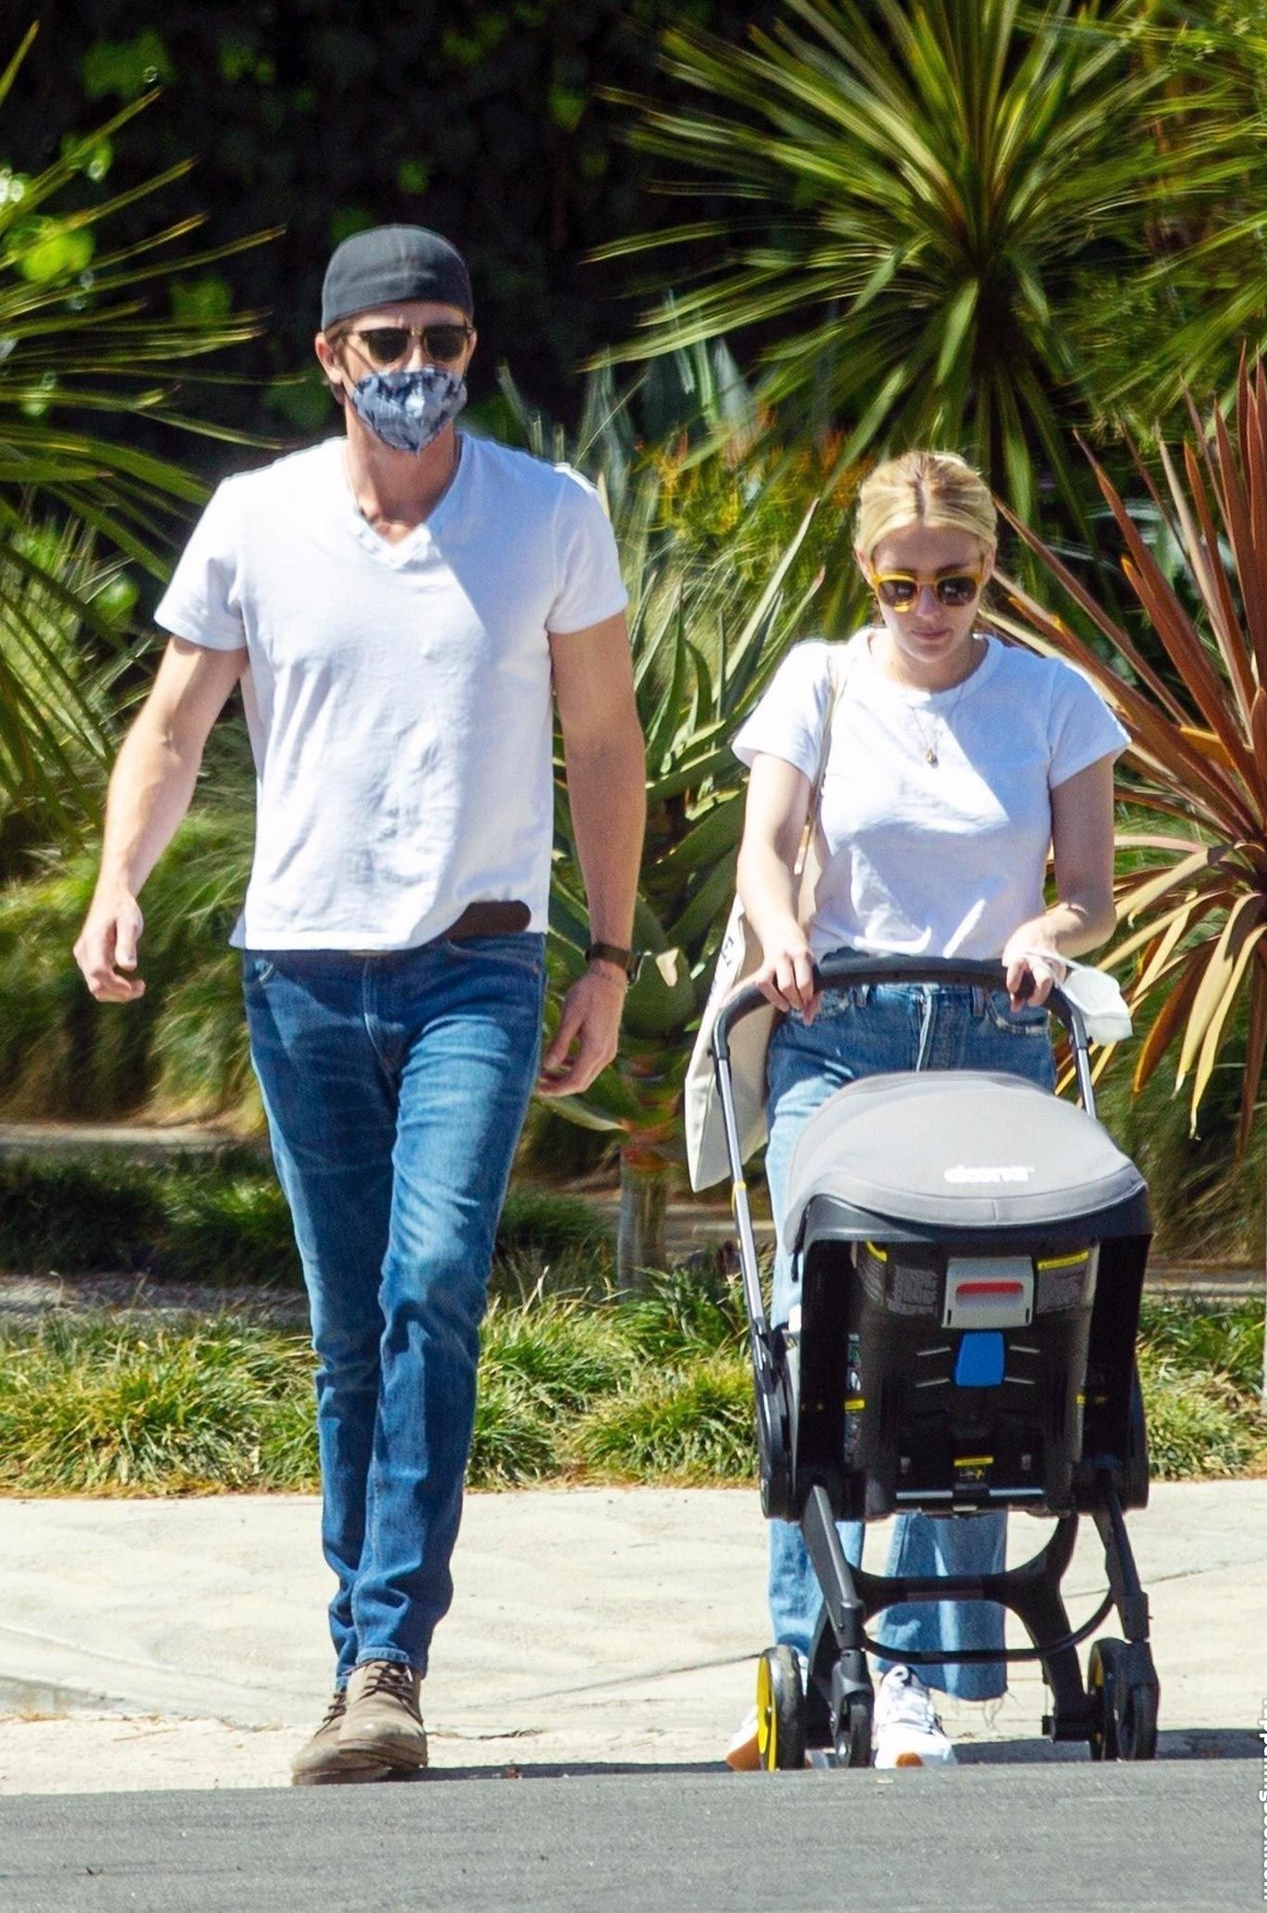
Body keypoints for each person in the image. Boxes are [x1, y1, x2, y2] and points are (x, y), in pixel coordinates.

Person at [72, 225, 646, 1785]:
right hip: (303, 970)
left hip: (478, 963)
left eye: (443, 341)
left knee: (434, 1280)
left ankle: (390, 1658)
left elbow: (603, 737)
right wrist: (120, 881)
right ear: (331, 357)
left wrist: (606, 955)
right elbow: (174, 723)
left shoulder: (549, 513)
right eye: (387, 343)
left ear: (473, 350)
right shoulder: (254, 520)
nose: (417, 369)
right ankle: (358, 1658)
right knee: (347, 1329)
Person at [725, 448, 1127, 1769]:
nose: (930, 609)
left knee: (975, 1336)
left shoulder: (1053, 701)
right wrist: (783, 934)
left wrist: (1045, 933)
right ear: (866, 574)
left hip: (990, 1038)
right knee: (820, 1331)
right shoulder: (820, 683)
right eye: (902, 585)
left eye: (955, 582)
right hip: (841, 1037)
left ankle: (926, 1666)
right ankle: (816, 1656)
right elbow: (765, 850)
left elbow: (1090, 893)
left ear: (988, 569)